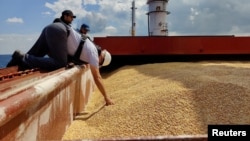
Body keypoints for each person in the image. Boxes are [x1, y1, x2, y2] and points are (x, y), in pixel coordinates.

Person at [6, 10, 76, 71]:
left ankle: (17, 60)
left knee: (36, 53)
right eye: (71, 17)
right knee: (60, 63)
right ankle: (22, 57)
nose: (72, 19)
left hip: (47, 29)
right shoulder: (65, 26)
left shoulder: (56, 23)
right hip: (56, 32)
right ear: (65, 16)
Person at [67, 26, 114, 106]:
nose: (97, 64)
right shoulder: (94, 53)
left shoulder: (91, 49)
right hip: (61, 34)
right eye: (99, 63)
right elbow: (97, 77)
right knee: (57, 63)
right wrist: (107, 97)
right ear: (101, 59)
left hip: (64, 31)